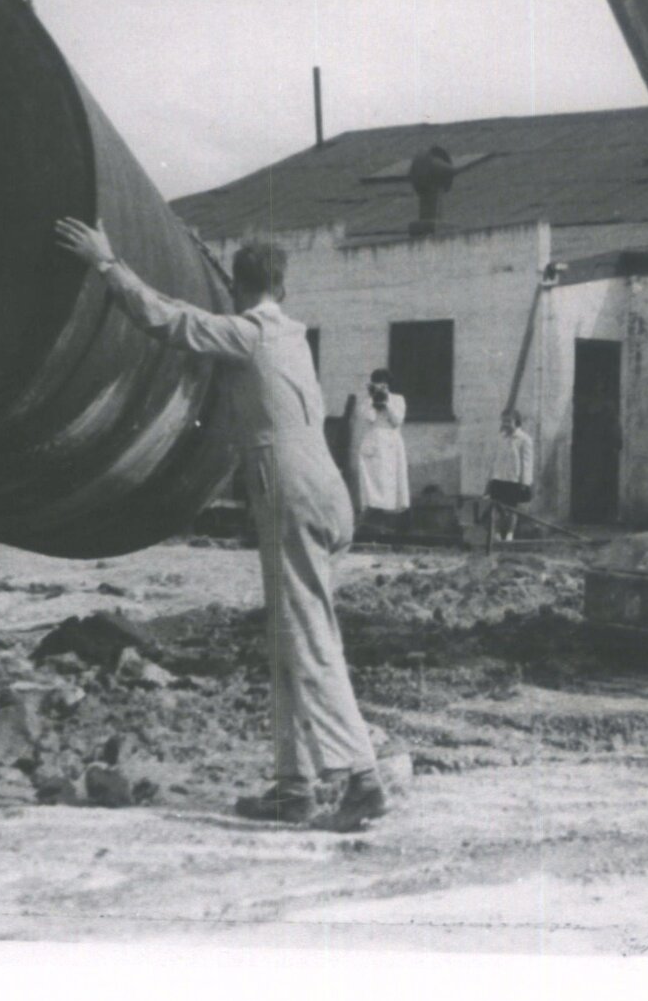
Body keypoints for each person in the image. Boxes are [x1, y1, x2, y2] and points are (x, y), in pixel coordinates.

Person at [54, 217, 389, 831]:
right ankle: (295, 787)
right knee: (294, 637)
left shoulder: (249, 335)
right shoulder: (288, 335)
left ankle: (361, 777)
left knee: (307, 640)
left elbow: (169, 319)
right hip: (323, 487)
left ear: (239, 289)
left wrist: (107, 264)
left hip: (287, 486)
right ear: (281, 288)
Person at [351, 367, 410, 525]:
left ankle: (390, 514)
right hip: (374, 440)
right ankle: (373, 511)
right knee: (374, 479)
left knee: (390, 478)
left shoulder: (398, 399)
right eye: (377, 385)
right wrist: (373, 400)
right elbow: (369, 418)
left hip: (391, 442)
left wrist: (386, 403)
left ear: (388, 385)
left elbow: (397, 420)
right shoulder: (367, 402)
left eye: (383, 385)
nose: (380, 388)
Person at [485, 409, 536, 541]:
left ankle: (509, 534)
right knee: (496, 507)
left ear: (516, 422)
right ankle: (496, 534)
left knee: (511, 509)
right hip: (498, 477)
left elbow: (527, 462)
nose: (505, 424)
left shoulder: (524, 439)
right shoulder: (500, 438)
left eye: (508, 421)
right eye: (503, 421)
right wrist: (490, 478)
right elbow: (494, 460)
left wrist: (525, 482)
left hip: (513, 480)